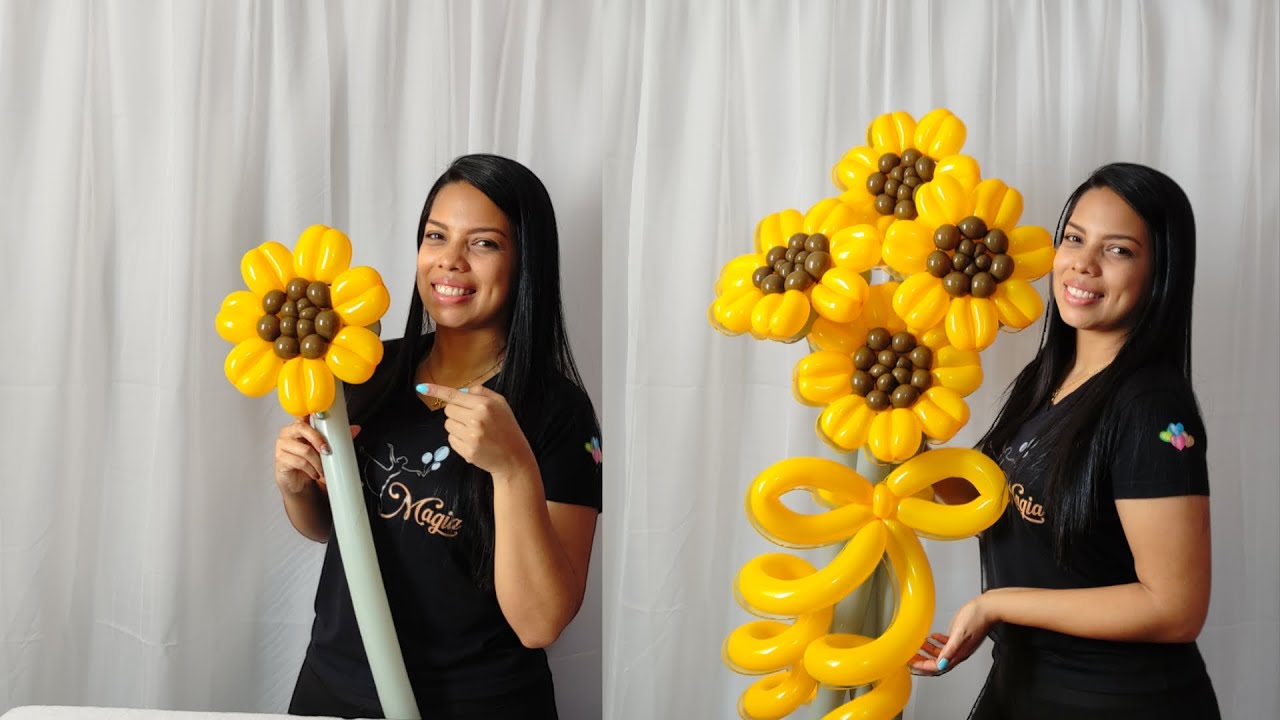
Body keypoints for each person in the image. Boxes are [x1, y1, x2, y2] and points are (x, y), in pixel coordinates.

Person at [271, 154, 602, 719]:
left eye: (484, 243)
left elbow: (541, 622)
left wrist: (512, 467)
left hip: (478, 704)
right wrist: (297, 483)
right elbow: (334, 530)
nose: (449, 262)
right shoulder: (367, 370)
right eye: (436, 236)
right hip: (333, 687)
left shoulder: (559, 413)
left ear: (526, 261)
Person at [909, 163, 1219, 719]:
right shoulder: (1050, 378)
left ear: (1160, 272)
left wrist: (995, 605)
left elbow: (1175, 607)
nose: (1083, 262)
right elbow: (995, 496)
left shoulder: (1153, 411)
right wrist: (902, 445)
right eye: (1074, 238)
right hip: (1025, 688)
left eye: (1118, 250)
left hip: (1116, 703)